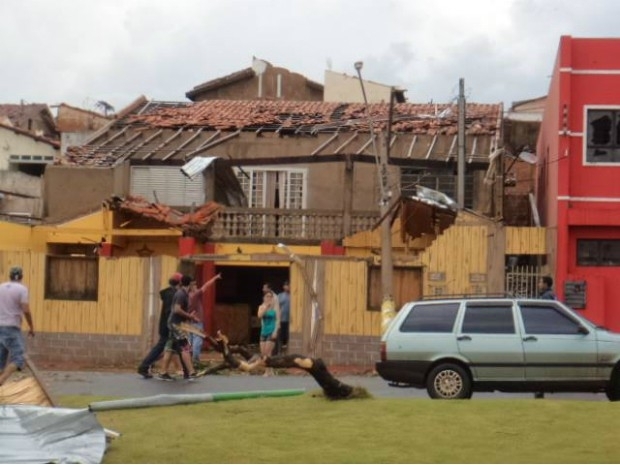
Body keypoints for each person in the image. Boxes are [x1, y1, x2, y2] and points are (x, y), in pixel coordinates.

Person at [137, 272, 186, 379]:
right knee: (166, 346)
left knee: (174, 347)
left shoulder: (171, 293)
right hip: (169, 326)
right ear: (180, 283)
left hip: (167, 324)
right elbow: (170, 311)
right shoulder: (172, 295)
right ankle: (144, 366)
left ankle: (180, 371)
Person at [158, 275, 199, 381]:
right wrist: (189, 316)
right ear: (190, 284)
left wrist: (189, 317)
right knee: (185, 347)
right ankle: (191, 372)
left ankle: (163, 372)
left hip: (174, 323)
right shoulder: (181, 294)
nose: (195, 286)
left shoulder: (183, 293)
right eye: (194, 284)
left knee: (170, 348)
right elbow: (177, 309)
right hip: (175, 324)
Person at [0, 267, 35, 386]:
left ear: (10, 276)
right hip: (11, 328)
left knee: (0, 362)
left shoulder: (1, 287)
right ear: (21, 276)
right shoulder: (22, 289)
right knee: (19, 358)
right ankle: (1, 380)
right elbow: (25, 309)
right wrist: (31, 326)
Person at [188, 273, 222, 368]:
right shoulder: (195, 294)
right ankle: (195, 360)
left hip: (188, 320)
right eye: (194, 284)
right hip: (197, 320)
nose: (196, 286)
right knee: (197, 340)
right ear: (191, 286)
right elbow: (206, 285)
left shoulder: (186, 295)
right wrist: (215, 278)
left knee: (190, 341)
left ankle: (189, 361)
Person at [535, 275, 557, 399]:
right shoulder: (551, 295)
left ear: (546, 284)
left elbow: (541, 314)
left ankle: (539, 389)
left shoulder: (546, 297)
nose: (539, 284)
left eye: (540, 282)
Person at [258, 290, 280, 376]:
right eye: (267, 296)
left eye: (270, 297)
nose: (269, 298)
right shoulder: (261, 307)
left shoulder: (275, 308)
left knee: (268, 352)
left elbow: (278, 320)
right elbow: (260, 316)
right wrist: (266, 307)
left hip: (272, 331)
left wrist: (275, 331)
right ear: (264, 298)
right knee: (263, 353)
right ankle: (270, 369)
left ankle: (267, 371)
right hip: (264, 331)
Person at [277, 281, 291, 354]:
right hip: (281, 319)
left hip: (290, 320)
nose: (288, 287)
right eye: (287, 285)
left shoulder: (293, 295)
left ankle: (288, 352)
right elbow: (277, 307)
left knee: (288, 336)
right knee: (280, 336)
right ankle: (279, 352)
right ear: (283, 287)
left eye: (289, 285)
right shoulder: (280, 296)